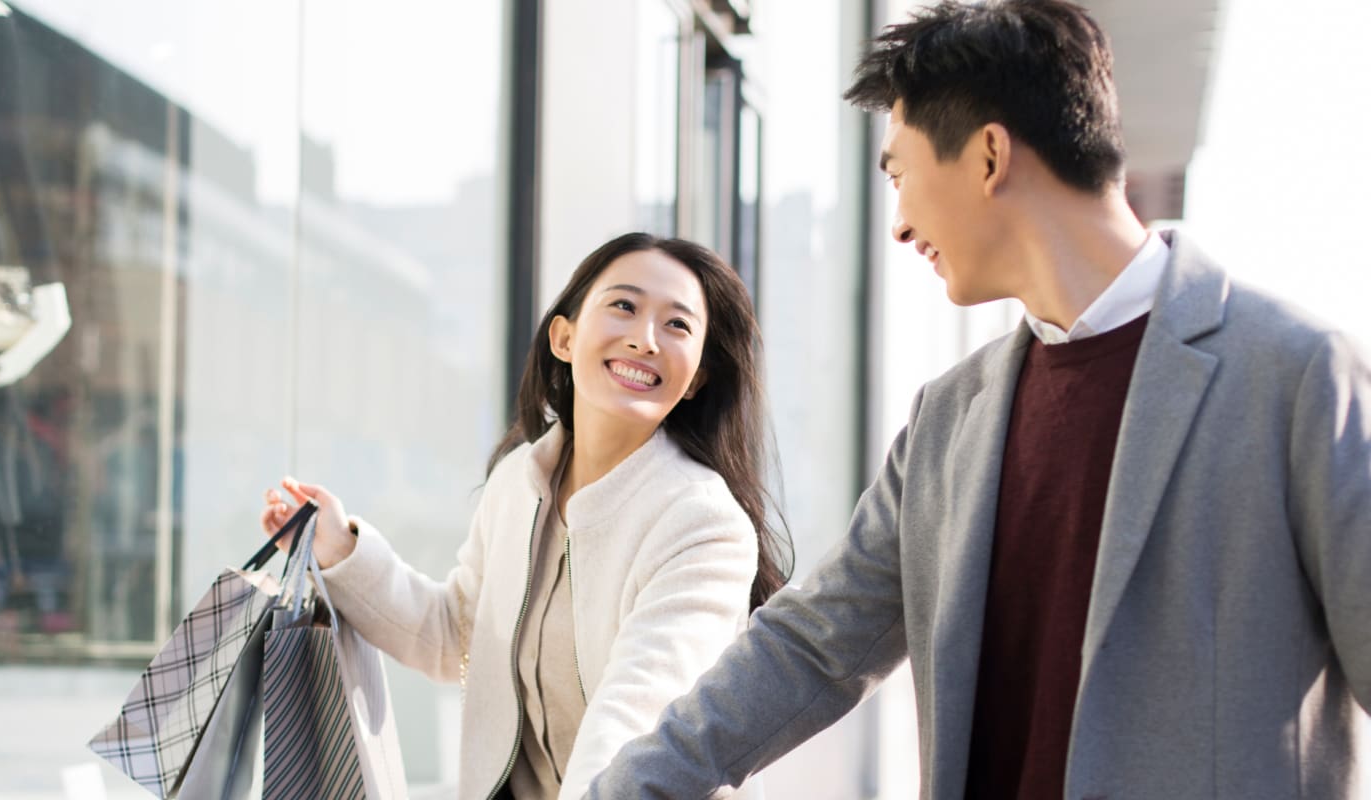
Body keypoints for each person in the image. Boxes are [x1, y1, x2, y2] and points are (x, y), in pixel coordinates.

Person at [586, 1, 1371, 798]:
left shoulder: (1296, 378)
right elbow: (812, 647)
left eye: (899, 173)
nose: (896, 224)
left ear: (989, 155)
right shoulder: (948, 420)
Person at [261, 232, 788, 800]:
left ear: (697, 380)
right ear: (564, 337)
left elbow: (636, 717)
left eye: (677, 325)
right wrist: (343, 550)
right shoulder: (519, 481)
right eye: (624, 306)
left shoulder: (703, 524)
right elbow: (457, 638)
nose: (645, 339)